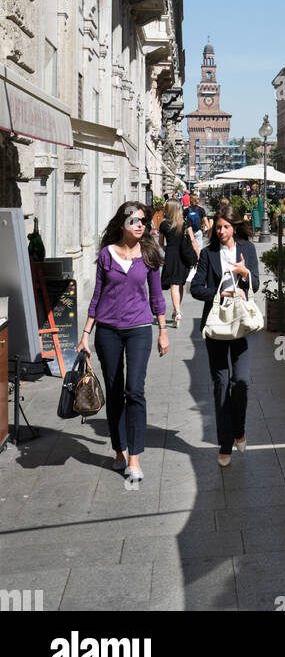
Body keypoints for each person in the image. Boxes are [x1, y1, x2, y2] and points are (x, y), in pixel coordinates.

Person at [76, 201, 168, 484]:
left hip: (140, 329)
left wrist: (163, 330)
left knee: (135, 391)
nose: (141, 225)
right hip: (108, 331)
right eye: (135, 221)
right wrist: (85, 334)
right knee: (115, 391)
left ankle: (134, 458)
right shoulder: (107, 255)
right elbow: (97, 295)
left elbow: (156, 296)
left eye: (143, 221)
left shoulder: (150, 255)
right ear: (122, 225)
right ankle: (118, 450)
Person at [191, 204, 260, 467]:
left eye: (226, 227)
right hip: (217, 326)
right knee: (221, 384)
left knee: (240, 381)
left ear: (234, 227)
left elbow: (255, 281)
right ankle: (224, 444)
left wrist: (245, 275)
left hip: (241, 323)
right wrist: (219, 293)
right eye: (218, 227)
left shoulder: (247, 249)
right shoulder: (208, 254)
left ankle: (239, 429)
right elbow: (196, 288)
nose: (221, 231)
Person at [160, 198, 200, 327]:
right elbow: (193, 240)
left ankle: (177, 311)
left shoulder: (164, 224)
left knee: (174, 284)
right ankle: (177, 310)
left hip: (171, 255)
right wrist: (198, 255)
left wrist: (166, 249)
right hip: (184, 255)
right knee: (180, 283)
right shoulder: (185, 223)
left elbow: (161, 243)